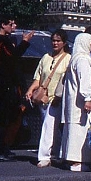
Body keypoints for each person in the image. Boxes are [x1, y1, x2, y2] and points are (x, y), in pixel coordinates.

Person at [0, 17, 34, 161]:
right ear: (2, 25)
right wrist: (25, 42)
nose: (14, 26)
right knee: (1, 120)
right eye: (11, 24)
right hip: (1, 87)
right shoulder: (1, 41)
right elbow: (13, 58)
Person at [24, 29, 70, 168]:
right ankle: (57, 153)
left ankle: (44, 156)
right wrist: (30, 89)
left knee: (49, 127)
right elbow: (38, 77)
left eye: (58, 40)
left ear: (64, 43)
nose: (55, 43)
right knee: (50, 126)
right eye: (53, 40)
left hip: (57, 98)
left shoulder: (68, 58)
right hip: (43, 99)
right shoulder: (46, 57)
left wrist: (59, 95)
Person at [61, 32, 91, 172]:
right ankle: (77, 161)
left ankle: (68, 158)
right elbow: (85, 80)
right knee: (80, 131)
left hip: (73, 101)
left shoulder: (74, 58)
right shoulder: (82, 60)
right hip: (80, 102)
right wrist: (88, 98)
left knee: (72, 130)